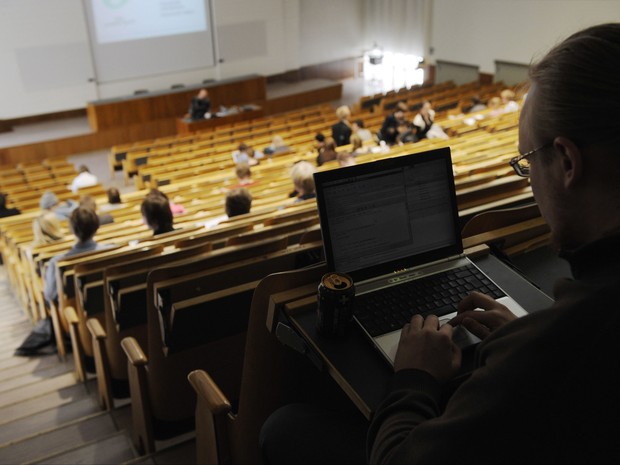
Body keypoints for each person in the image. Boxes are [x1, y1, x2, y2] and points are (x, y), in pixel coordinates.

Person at [261, 23, 620, 465]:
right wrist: (518, 337)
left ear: (566, 161)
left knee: (285, 427)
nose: (530, 185)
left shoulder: (556, 348)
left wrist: (413, 379)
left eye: (527, 163)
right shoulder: (548, 338)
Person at [43, 206, 111, 305]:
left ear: (71, 230)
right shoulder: (110, 250)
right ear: (97, 226)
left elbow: (50, 295)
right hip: (110, 305)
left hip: (75, 312)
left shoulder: (58, 262)